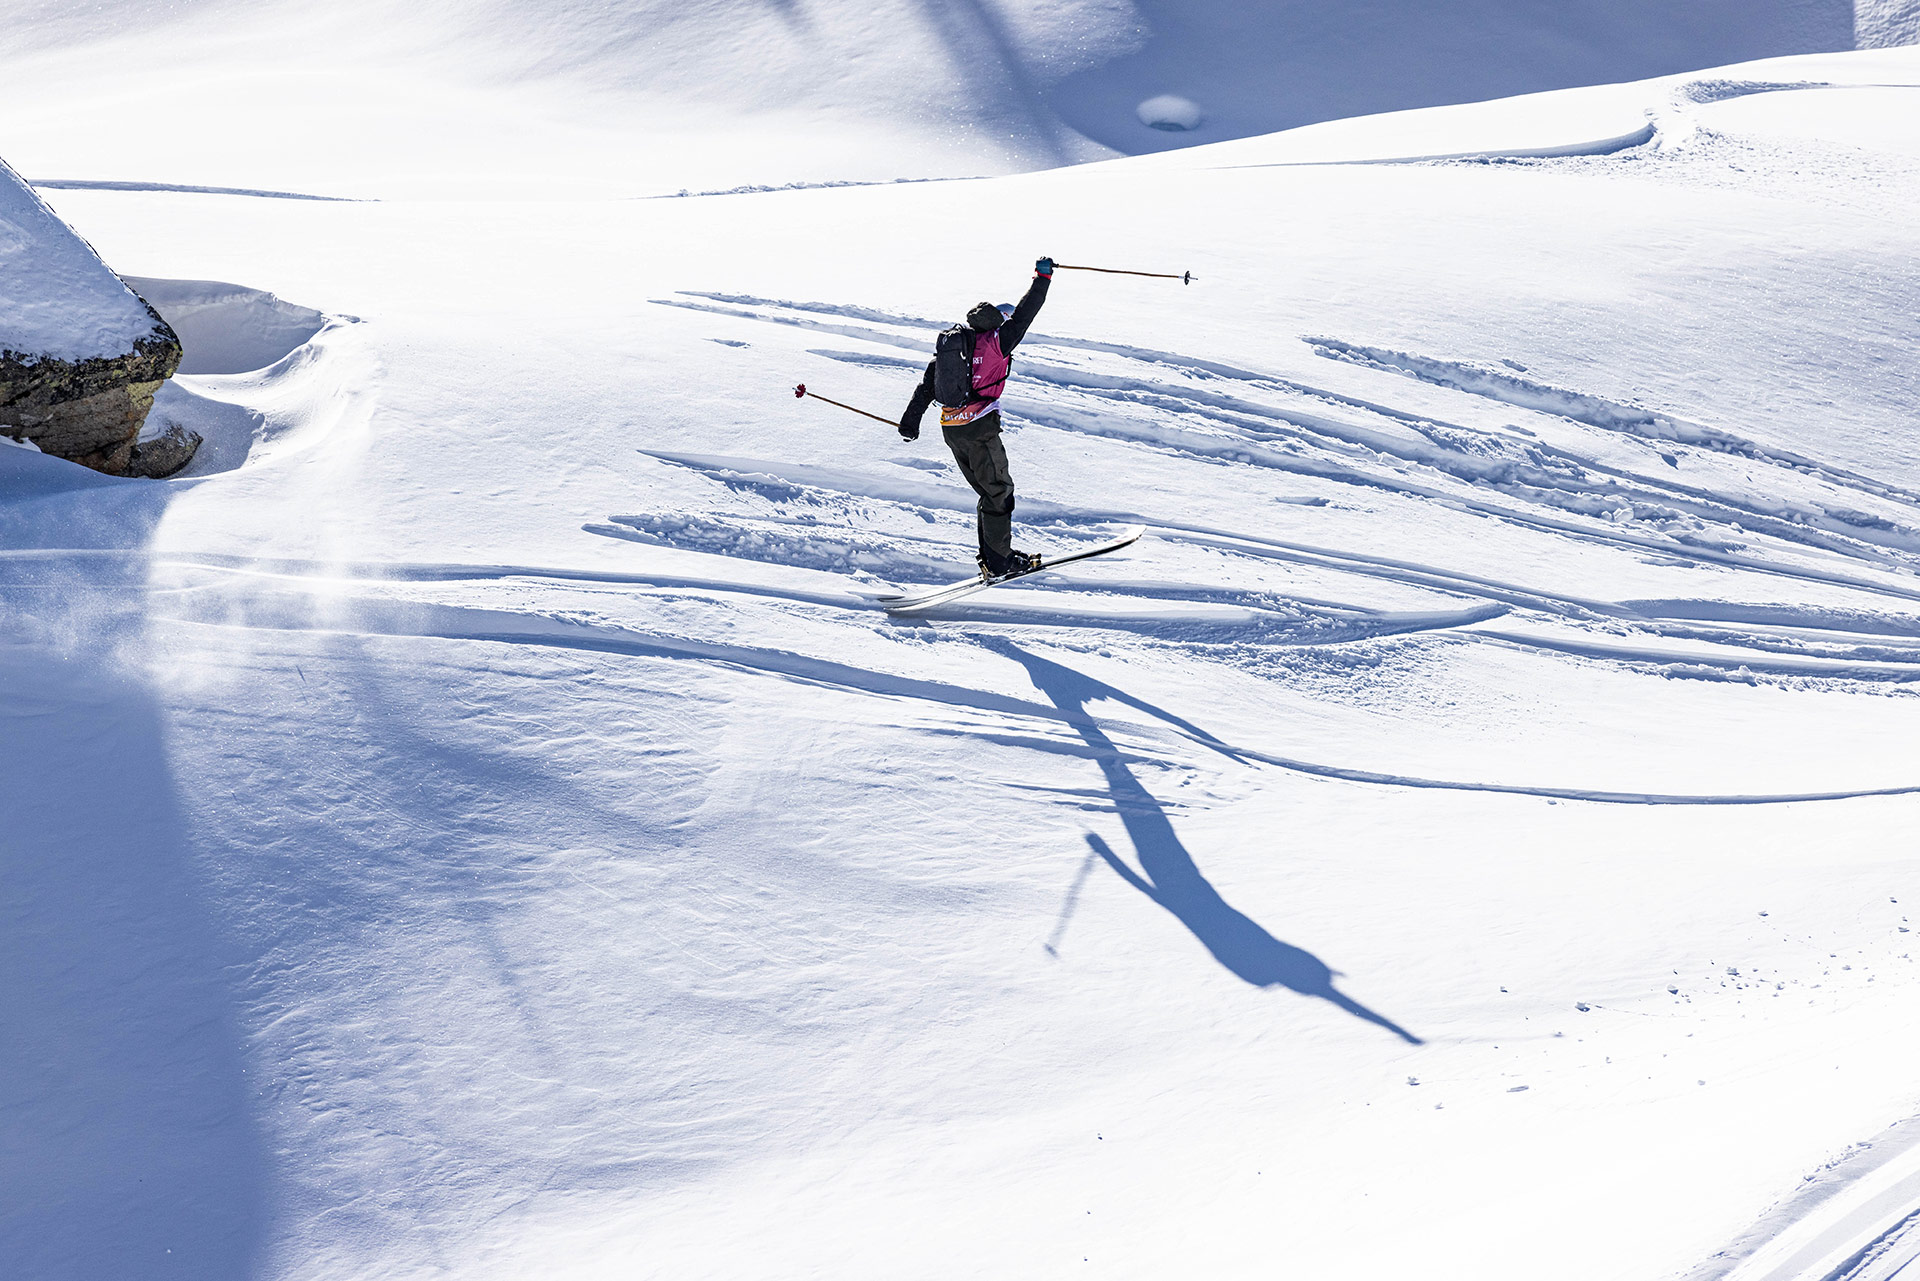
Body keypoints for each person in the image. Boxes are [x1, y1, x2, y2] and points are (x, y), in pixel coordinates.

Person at [900, 257, 1055, 577]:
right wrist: (1042, 278)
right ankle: (999, 563)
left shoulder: (957, 346)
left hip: (952, 429)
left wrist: (910, 422)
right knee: (999, 492)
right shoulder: (999, 340)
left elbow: (927, 384)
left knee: (989, 492)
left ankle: (992, 556)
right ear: (1000, 321)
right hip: (979, 427)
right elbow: (1026, 313)